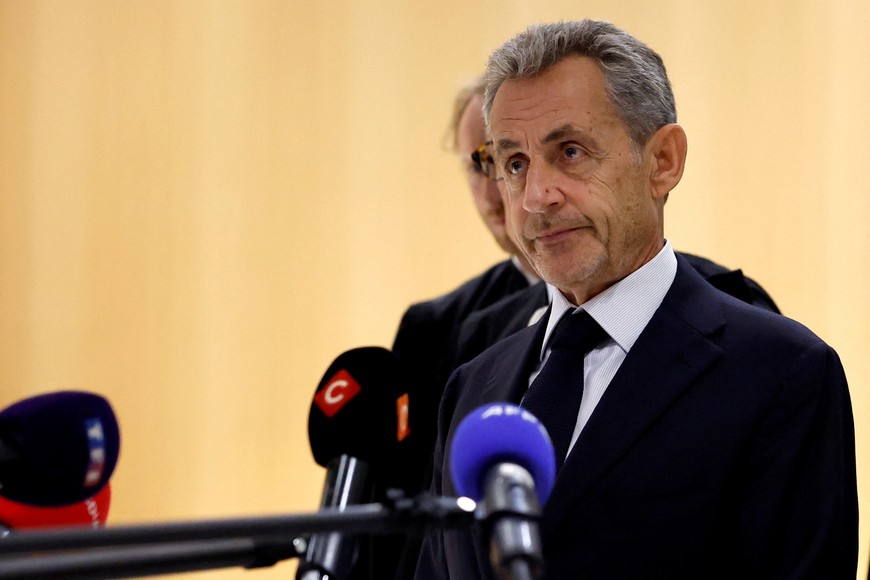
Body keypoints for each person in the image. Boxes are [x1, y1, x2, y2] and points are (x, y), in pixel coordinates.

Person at [415, 19, 857, 580]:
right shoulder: (472, 388)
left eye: (570, 152)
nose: (534, 198)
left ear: (663, 161)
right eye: (514, 163)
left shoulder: (782, 373)